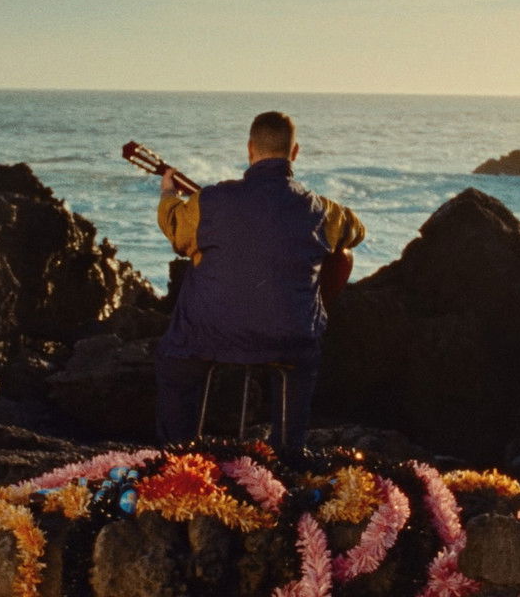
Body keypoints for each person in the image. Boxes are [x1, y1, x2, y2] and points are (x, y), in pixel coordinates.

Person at [154, 111, 365, 451]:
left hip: (210, 334)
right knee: (300, 360)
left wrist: (168, 195)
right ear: (295, 152)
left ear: (250, 149)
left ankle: (178, 452)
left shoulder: (211, 201)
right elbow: (355, 232)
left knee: (175, 356)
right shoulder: (323, 211)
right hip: (291, 337)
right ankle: (289, 451)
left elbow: (177, 231)